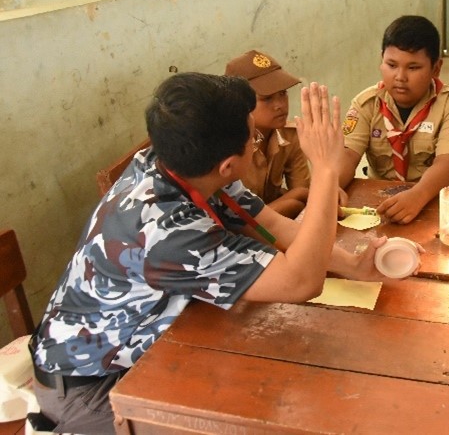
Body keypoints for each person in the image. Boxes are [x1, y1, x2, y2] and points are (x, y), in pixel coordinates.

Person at [29, 73, 388, 433]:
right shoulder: (168, 231)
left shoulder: (177, 160)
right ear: (229, 165)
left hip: (146, 348)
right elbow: (301, 282)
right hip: (93, 387)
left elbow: (273, 226)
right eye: (253, 138)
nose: (256, 141)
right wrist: (325, 170)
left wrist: (351, 265)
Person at [340, 15, 449, 225]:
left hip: (433, 202)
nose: (400, 76)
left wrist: (418, 195)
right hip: (380, 205)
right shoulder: (366, 104)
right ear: (381, 60)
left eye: (413, 68)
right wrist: (332, 186)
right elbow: (347, 155)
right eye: (391, 65)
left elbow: (448, 162)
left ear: (436, 68)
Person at [225, 50, 310, 218]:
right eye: (266, 98)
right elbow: (237, 221)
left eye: (282, 93)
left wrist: (297, 197)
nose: (280, 105)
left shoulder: (290, 135)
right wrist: (292, 198)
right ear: (239, 102)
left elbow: (306, 196)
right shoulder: (227, 149)